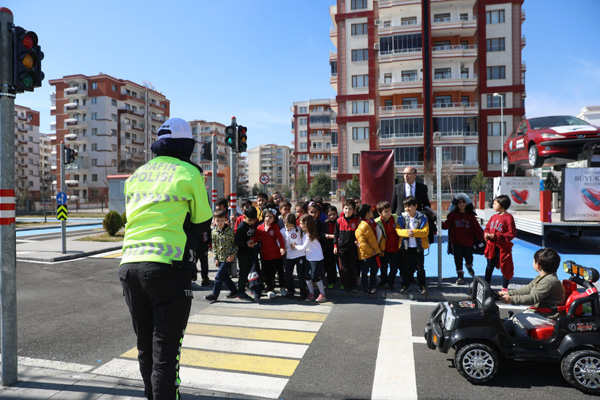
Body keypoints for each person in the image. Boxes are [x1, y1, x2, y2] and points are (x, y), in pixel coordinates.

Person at [119, 117, 212, 400]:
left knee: (145, 347)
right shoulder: (189, 173)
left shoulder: (137, 174)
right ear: (186, 145)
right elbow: (203, 220)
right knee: (166, 352)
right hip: (167, 267)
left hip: (129, 266)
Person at [500, 248, 565, 337]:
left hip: (547, 317)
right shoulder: (542, 277)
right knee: (510, 321)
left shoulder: (549, 281)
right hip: (541, 312)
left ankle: (523, 344)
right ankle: (500, 337)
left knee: (518, 320)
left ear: (538, 265)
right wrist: (509, 293)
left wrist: (511, 300)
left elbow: (533, 298)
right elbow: (527, 289)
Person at [442, 193, 485, 284]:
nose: (461, 204)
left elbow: (476, 228)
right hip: (456, 242)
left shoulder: (470, 215)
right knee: (458, 259)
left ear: (467, 203)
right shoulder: (453, 215)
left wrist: (484, 237)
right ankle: (460, 276)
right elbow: (446, 225)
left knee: (469, 257)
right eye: (459, 202)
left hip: (468, 241)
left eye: (463, 202)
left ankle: (468, 266)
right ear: (456, 205)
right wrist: (438, 221)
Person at [396, 196, 430, 295]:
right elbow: (398, 230)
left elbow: (425, 232)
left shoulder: (422, 218)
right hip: (406, 247)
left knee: (420, 267)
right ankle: (405, 285)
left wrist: (414, 233)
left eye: (410, 206)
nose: (407, 209)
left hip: (418, 248)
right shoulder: (401, 218)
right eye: (405, 206)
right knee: (406, 267)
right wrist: (407, 233)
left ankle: (422, 285)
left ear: (416, 206)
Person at [205, 209, 238, 302]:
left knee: (218, 277)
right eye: (218, 221)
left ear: (225, 220)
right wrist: (215, 258)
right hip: (220, 258)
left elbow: (235, 244)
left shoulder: (229, 231)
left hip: (228, 258)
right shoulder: (214, 232)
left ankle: (214, 295)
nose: (220, 223)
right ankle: (234, 290)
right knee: (224, 276)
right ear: (214, 220)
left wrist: (233, 255)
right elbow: (214, 246)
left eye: (222, 220)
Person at [484, 194, 516, 290]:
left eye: (495, 204)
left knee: (505, 266)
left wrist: (497, 236)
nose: (493, 205)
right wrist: (486, 234)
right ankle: (486, 285)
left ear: (502, 205)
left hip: (503, 248)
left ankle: (504, 287)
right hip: (492, 246)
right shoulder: (493, 217)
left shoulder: (508, 218)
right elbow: (487, 228)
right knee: (489, 266)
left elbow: (511, 233)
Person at [252, 208, 286, 299]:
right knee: (268, 274)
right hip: (265, 256)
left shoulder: (275, 227)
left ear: (274, 219)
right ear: (263, 217)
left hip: (276, 255)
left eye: (270, 217)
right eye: (267, 216)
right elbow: (256, 238)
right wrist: (251, 241)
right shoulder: (259, 228)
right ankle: (270, 289)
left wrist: (282, 247)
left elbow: (280, 238)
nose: (268, 219)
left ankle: (282, 288)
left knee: (280, 272)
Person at [292, 214, 327, 302]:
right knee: (307, 276)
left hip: (316, 259)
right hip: (309, 258)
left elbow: (304, 247)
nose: (300, 225)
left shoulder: (310, 235)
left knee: (317, 277)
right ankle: (311, 293)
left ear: (307, 224)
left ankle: (322, 294)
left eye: (302, 223)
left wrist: (295, 247)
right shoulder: (304, 233)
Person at [355, 204, 385, 294]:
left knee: (374, 271)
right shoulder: (362, 226)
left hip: (374, 252)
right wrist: (373, 251)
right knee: (365, 272)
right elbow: (362, 243)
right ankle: (366, 286)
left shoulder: (373, 223)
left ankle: (373, 286)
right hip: (367, 254)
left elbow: (380, 237)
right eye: (371, 211)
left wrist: (380, 249)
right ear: (367, 213)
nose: (373, 212)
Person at [334, 199, 361, 293]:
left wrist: (358, 241)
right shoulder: (339, 220)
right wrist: (335, 246)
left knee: (353, 267)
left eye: (350, 209)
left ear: (354, 210)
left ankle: (353, 285)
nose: (347, 211)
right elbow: (336, 234)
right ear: (343, 209)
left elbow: (359, 234)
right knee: (343, 268)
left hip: (352, 248)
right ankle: (346, 286)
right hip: (342, 248)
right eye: (346, 208)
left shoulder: (357, 220)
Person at [375, 201, 401, 291]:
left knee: (394, 268)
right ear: (380, 213)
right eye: (386, 211)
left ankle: (391, 283)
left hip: (396, 249)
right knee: (383, 267)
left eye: (389, 210)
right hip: (384, 249)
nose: (389, 213)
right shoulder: (377, 222)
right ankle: (383, 281)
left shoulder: (396, 218)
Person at [234, 206, 259, 301]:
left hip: (249, 251)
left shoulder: (251, 224)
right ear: (244, 216)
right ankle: (240, 291)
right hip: (243, 253)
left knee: (248, 271)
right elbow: (237, 240)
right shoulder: (242, 226)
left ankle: (246, 288)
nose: (252, 221)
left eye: (254, 220)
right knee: (243, 272)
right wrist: (246, 244)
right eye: (250, 220)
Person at [281, 213, 307, 299]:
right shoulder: (282, 231)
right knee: (288, 274)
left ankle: (303, 293)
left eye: (290, 225)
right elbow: (280, 242)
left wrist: (297, 246)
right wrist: (282, 247)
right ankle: (290, 291)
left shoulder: (299, 230)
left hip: (300, 255)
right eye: (286, 225)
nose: (288, 227)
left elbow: (303, 241)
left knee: (300, 274)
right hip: (289, 256)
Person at [323, 205, 339, 289]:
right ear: (327, 215)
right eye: (330, 214)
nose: (332, 216)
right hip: (329, 246)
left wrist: (331, 236)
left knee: (340, 265)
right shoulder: (325, 223)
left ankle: (343, 281)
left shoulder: (339, 222)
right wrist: (327, 236)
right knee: (330, 265)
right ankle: (331, 281)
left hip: (338, 246)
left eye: (334, 214)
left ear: (337, 214)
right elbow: (323, 234)